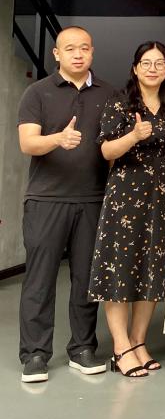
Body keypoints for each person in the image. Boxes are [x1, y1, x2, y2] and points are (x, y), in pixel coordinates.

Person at [16, 26, 116, 383]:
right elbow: (28, 143)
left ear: (92, 52)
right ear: (56, 54)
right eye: (70, 48)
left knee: (86, 279)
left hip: (93, 199)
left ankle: (83, 348)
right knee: (39, 280)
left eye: (84, 48)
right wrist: (58, 138)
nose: (78, 54)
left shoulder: (109, 93)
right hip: (46, 199)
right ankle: (35, 354)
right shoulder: (38, 92)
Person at [88, 41, 165, 378]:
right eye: (146, 62)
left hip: (164, 199)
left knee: (152, 270)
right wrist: (134, 136)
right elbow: (107, 151)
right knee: (121, 268)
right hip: (127, 198)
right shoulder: (120, 103)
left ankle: (139, 342)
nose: (153, 68)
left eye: (160, 63)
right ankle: (121, 347)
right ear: (135, 68)